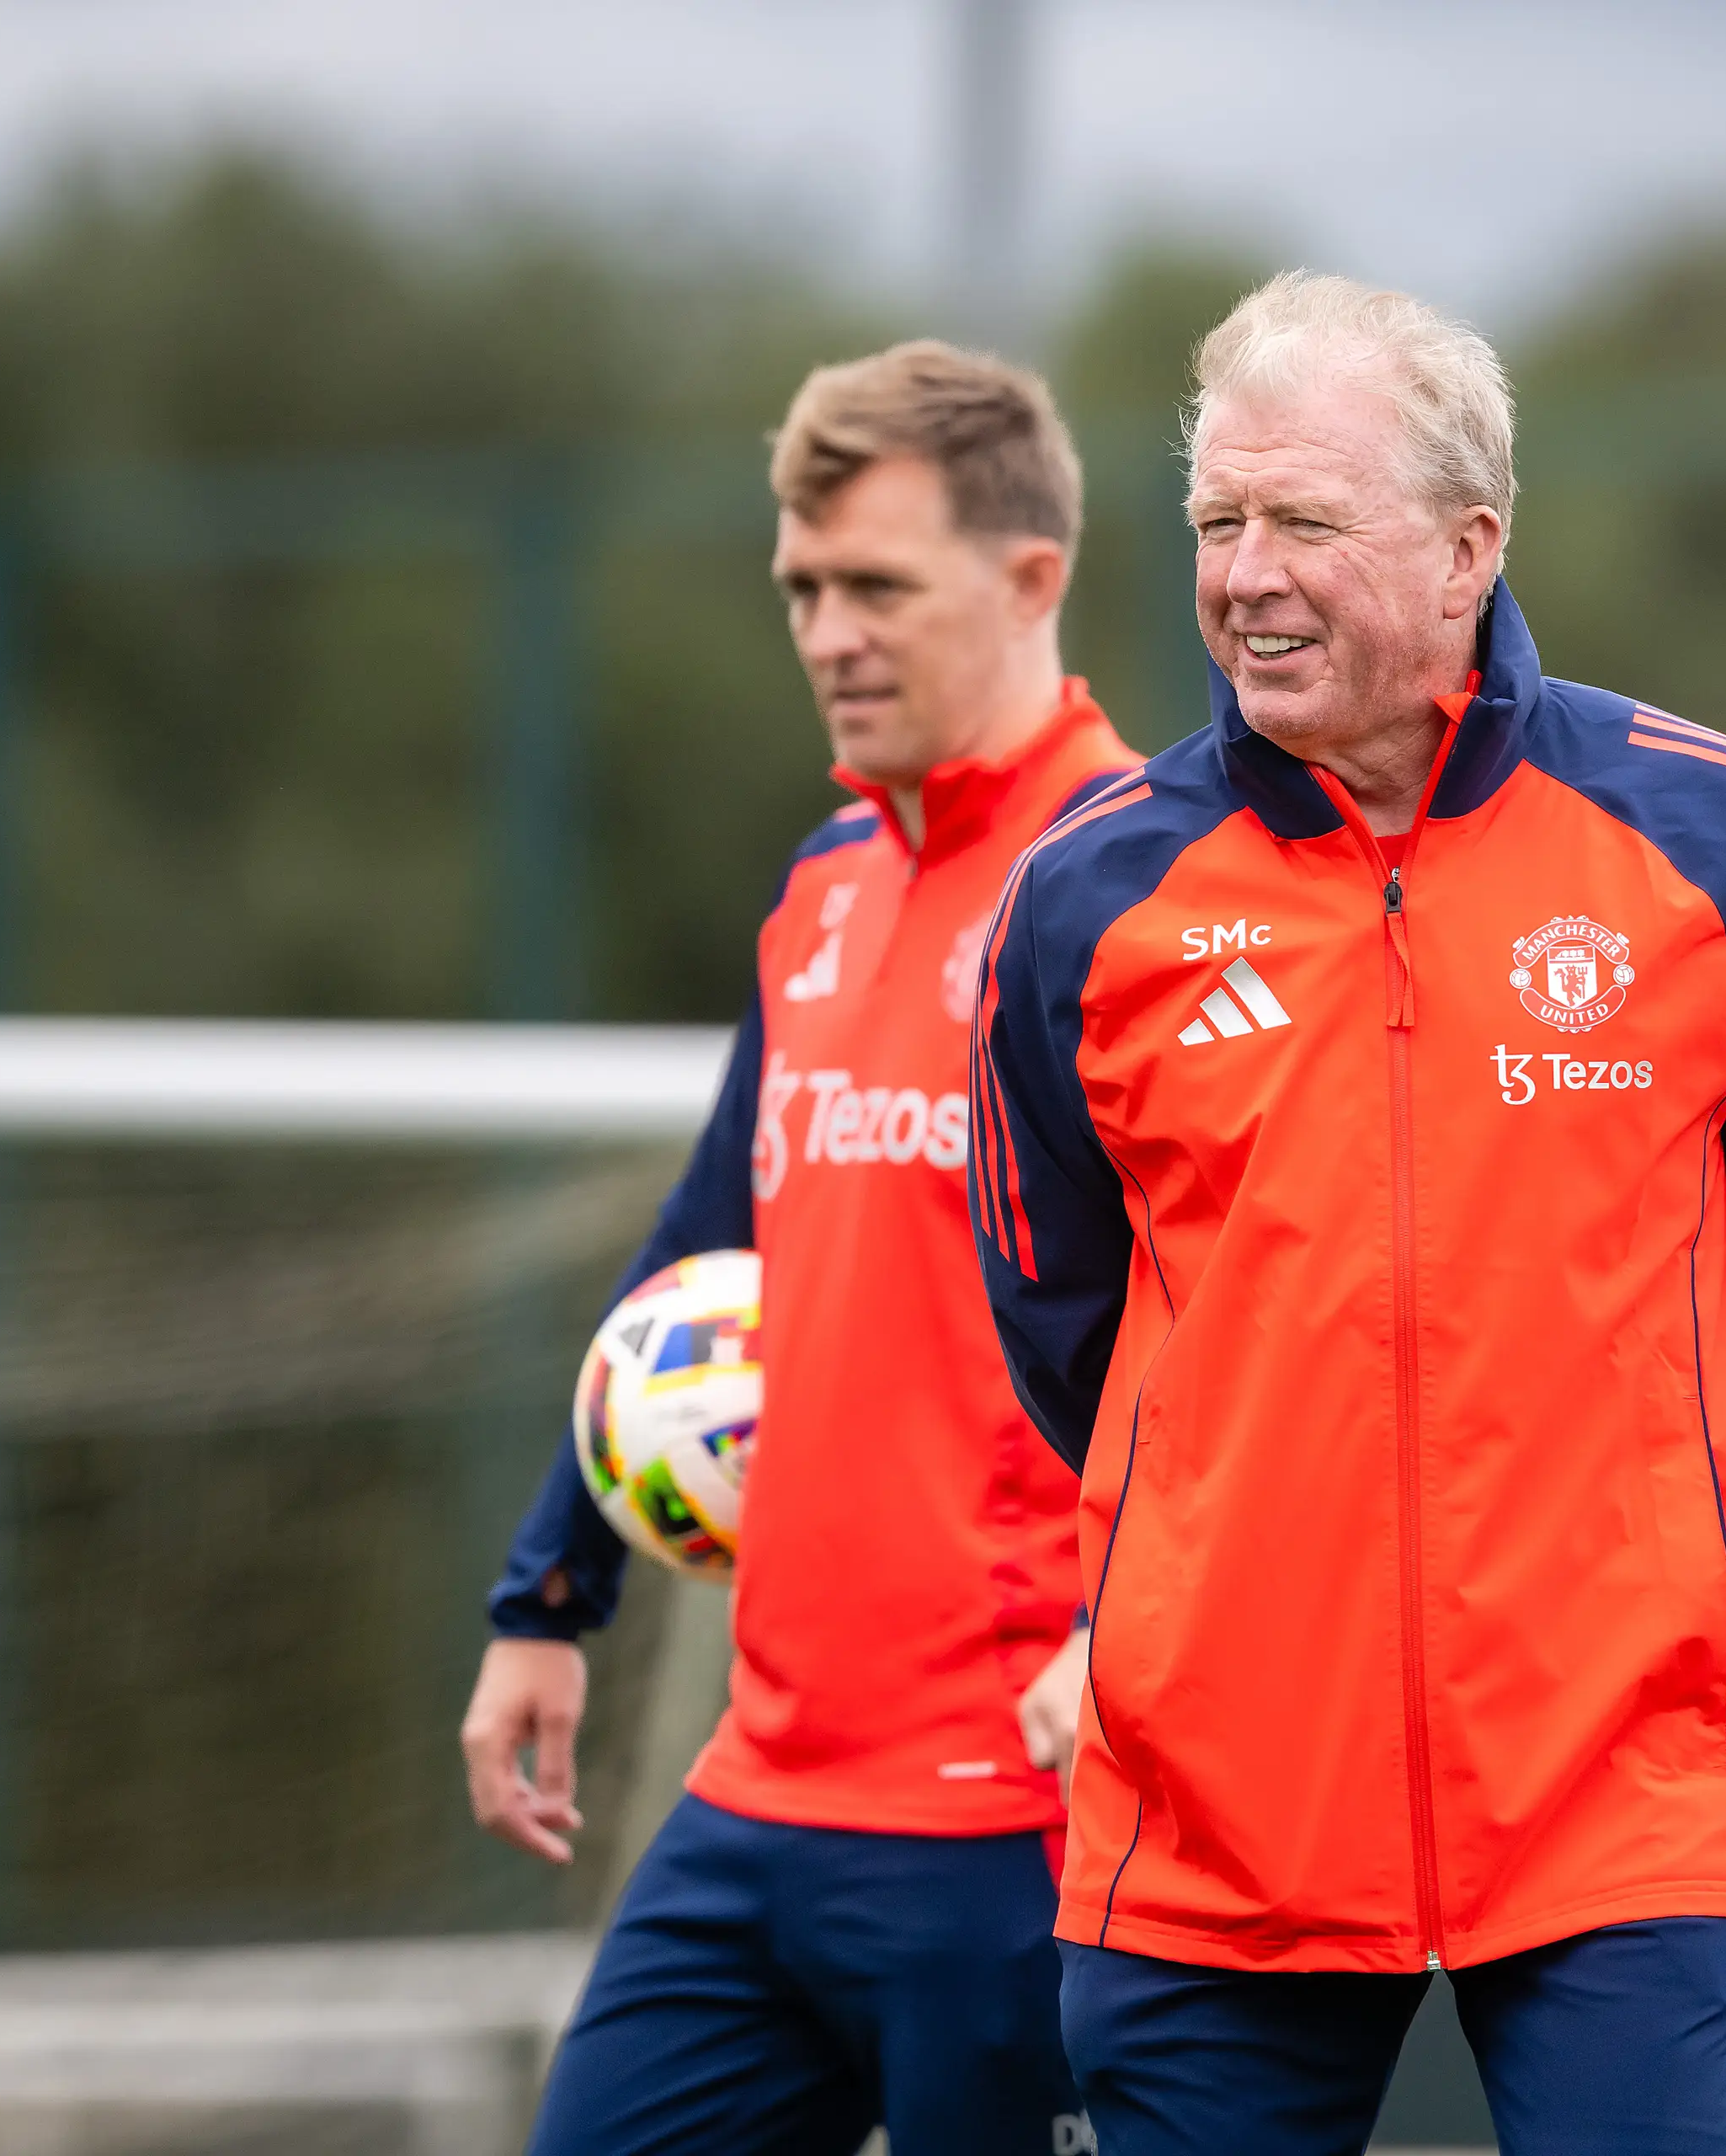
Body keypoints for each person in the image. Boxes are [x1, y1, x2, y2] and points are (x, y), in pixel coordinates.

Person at [967, 273, 1726, 2155]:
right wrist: (1222, 1569)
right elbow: (1059, 1315)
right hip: (1213, 1809)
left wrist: (1679, 1566)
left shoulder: (1721, 838)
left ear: (1471, 544)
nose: (1245, 572)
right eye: (1217, 523)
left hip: (1621, 1791)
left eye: (1305, 521)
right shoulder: (1089, 900)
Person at [465, 340, 1137, 2156]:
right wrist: (548, 1590)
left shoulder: (1146, 894)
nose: (829, 631)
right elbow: (709, 1235)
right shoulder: (826, 884)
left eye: (877, 585)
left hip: (1014, 1816)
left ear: (1031, 578)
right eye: (802, 589)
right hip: (762, 1787)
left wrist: (1139, 1626)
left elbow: (1277, 1324)